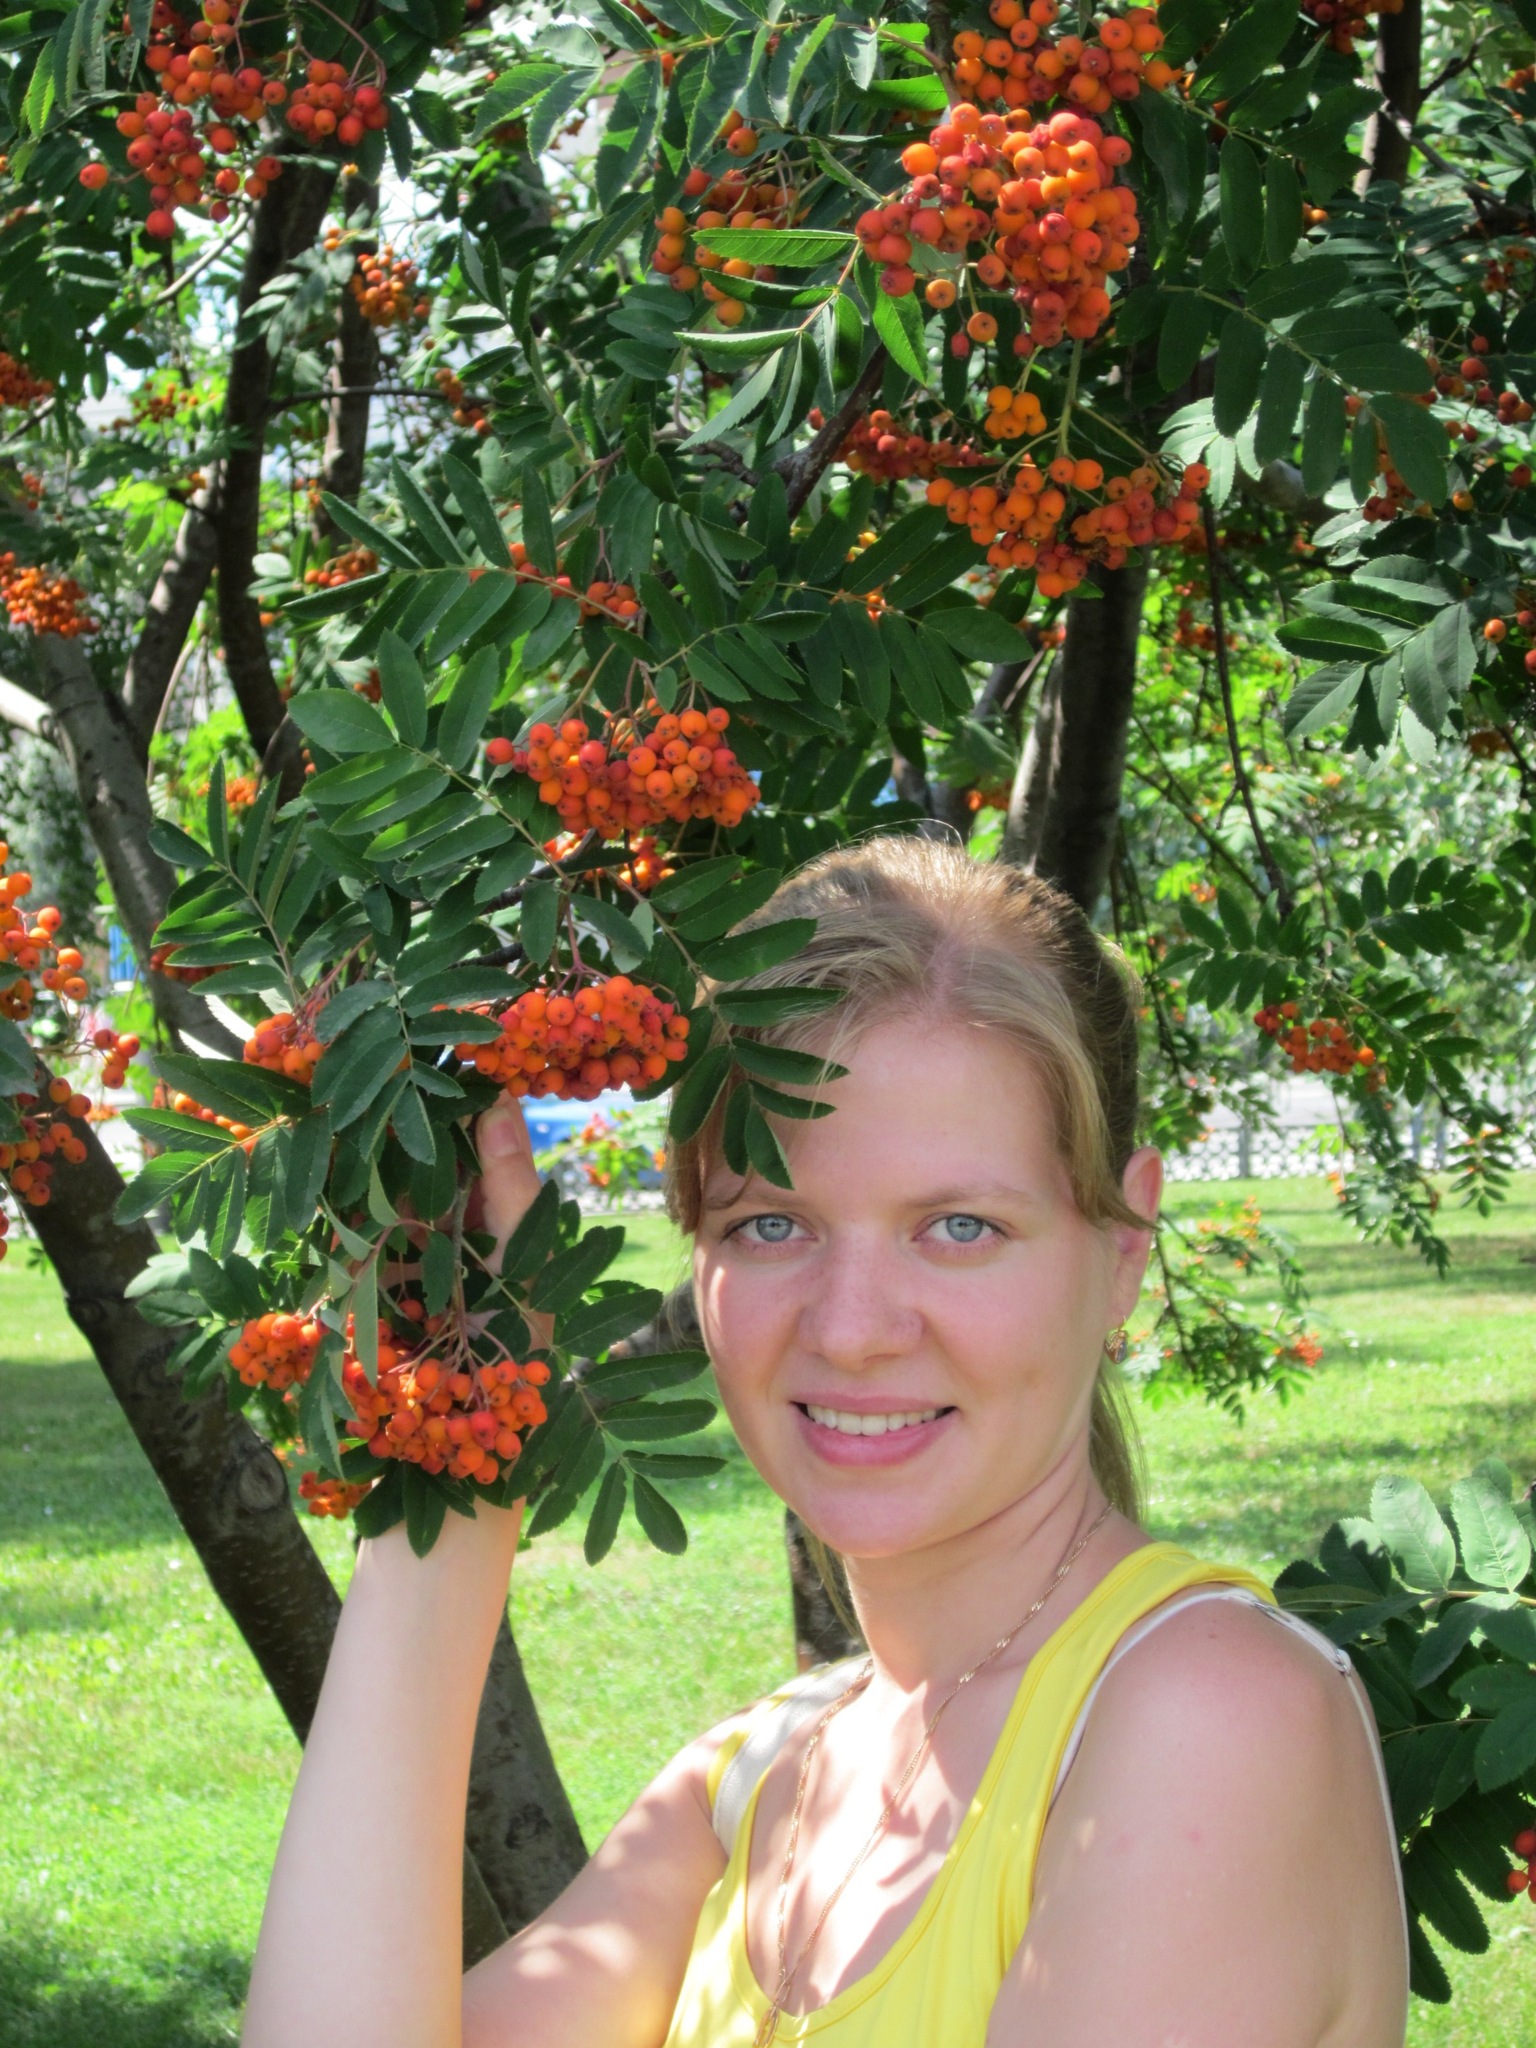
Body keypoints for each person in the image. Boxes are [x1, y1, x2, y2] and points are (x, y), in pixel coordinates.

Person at [243, 837, 1408, 2048]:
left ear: (1122, 1252)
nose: (850, 1330)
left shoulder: (1210, 1718)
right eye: (771, 1223)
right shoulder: (754, 1780)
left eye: (960, 1225)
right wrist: (449, 1451)